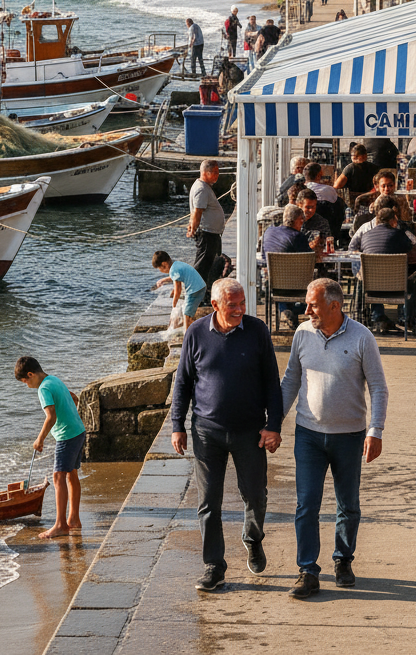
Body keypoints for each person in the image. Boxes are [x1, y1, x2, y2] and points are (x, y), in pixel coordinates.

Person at [169, 278, 283, 592]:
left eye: (242, 303)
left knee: (255, 495)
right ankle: (213, 566)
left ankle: (252, 537)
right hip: (207, 432)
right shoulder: (196, 333)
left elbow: (272, 382)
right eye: (232, 305)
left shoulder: (257, 331)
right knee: (208, 503)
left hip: (250, 431)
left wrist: (274, 426)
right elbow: (182, 384)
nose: (239, 310)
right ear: (216, 304)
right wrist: (177, 425)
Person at [280, 278, 388, 599]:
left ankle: (343, 560)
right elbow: (290, 382)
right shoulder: (302, 333)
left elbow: (378, 387)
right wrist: (272, 422)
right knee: (306, 505)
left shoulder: (362, 337)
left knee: (348, 505)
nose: (306, 309)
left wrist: (375, 430)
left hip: (350, 436)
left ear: (334, 306)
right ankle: (307, 570)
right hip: (308, 435)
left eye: (312, 304)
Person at [14, 356, 85, 539]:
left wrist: (40, 440)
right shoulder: (53, 379)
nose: (26, 385)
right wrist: (68, 416)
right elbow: (74, 398)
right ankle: (74, 519)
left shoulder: (43, 388)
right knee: (71, 473)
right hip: (78, 431)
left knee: (58, 476)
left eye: (25, 381)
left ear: (30, 375)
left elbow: (51, 417)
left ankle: (61, 525)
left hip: (67, 436)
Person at [351, 208, 416, 333]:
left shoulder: (366, 235)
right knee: (415, 278)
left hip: (372, 288)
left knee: (369, 276)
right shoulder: (400, 234)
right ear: (393, 221)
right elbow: (415, 254)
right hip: (398, 286)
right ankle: (405, 318)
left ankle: (378, 317)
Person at [262, 204, 323, 329]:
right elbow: (309, 260)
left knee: (281, 280)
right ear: (299, 220)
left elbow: (264, 256)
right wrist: (315, 248)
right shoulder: (298, 237)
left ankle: (285, 310)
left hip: (273, 282)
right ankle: (294, 311)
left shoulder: (269, 232)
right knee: (319, 279)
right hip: (297, 284)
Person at [188, 159, 226, 295]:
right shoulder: (201, 189)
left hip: (212, 233)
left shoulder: (204, 187)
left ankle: (206, 292)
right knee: (203, 265)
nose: (217, 175)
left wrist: (191, 225)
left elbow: (195, 212)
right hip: (207, 233)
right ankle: (195, 292)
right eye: (215, 172)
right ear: (206, 172)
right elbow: (197, 211)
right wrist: (193, 228)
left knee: (211, 265)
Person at [152, 249, 206, 327]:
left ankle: (189, 334)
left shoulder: (173, 270)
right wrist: (166, 282)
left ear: (164, 264)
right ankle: (191, 326)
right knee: (187, 312)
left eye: (159, 268)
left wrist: (174, 303)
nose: (160, 271)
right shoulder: (176, 264)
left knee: (186, 314)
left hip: (194, 291)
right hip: (200, 287)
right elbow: (177, 279)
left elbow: (178, 289)